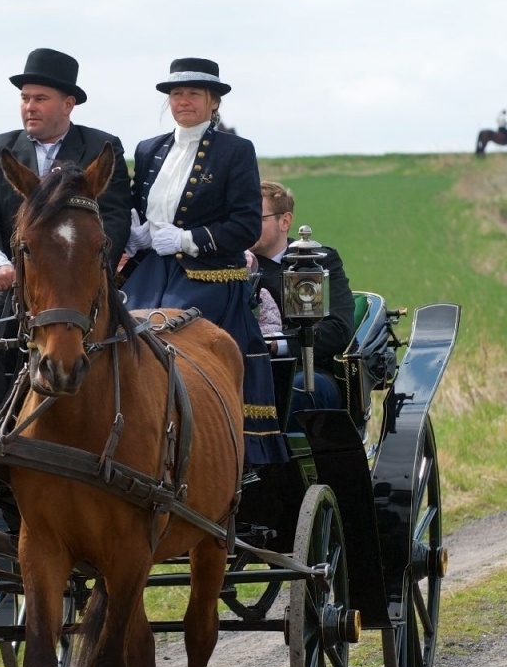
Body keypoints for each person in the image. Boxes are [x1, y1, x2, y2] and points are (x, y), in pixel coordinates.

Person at [121, 58, 287, 465]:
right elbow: (139, 208)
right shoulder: (148, 149)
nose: (183, 101)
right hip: (151, 270)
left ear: (214, 102)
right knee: (113, 324)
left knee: (166, 326)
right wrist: (137, 232)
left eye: (193, 93)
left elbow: (246, 224)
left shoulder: (236, 151)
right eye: (176, 94)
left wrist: (188, 238)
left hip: (208, 275)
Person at [0, 47, 132, 439]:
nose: (29, 107)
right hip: (17, 278)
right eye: (24, 98)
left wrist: (98, 266)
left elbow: (117, 213)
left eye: (40, 99)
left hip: (83, 280)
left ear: (68, 104)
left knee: (129, 335)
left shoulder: (102, 148)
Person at [249, 181, 355, 417]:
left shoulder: (318, 262)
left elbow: (338, 330)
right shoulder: (232, 265)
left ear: (285, 221)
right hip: (243, 368)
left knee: (292, 391)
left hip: (308, 369)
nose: (246, 226)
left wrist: (277, 344)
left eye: (256, 218)